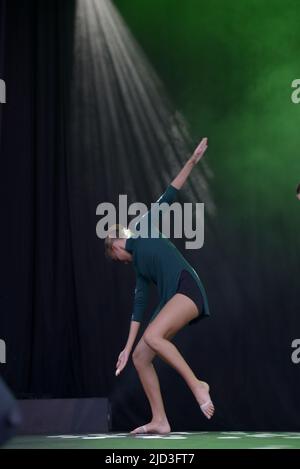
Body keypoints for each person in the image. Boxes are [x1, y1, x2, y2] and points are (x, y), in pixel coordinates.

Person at [105, 138, 215, 434]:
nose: (121, 262)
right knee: (142, 357)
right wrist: (127, 349)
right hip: (174, 299)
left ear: (116, 244)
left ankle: (197, 384)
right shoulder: (140, 268)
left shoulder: (142, 227)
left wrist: (192, 160)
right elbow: (137, 311)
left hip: (187, 288)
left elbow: (170, 193)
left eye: (117, 258)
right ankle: (160, 421)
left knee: (153, 336)